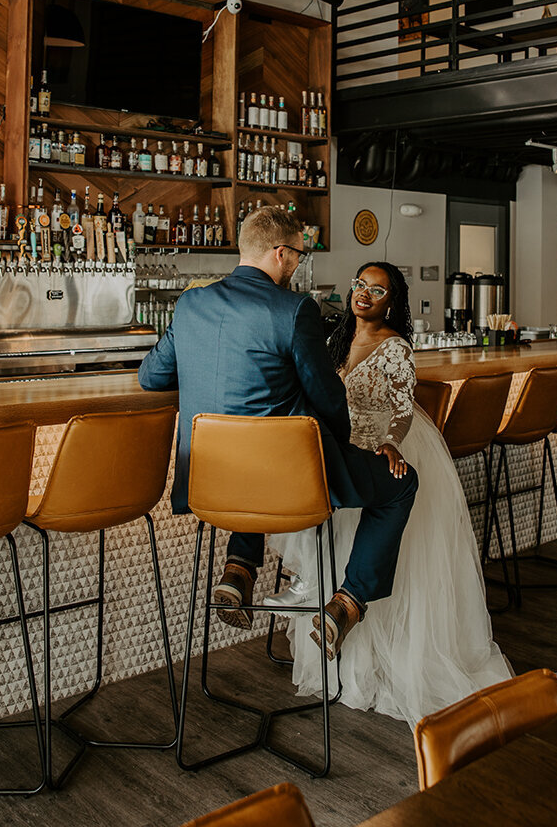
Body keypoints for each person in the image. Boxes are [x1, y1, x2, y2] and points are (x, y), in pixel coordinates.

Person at [138, 208, 418, 659]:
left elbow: (151, 378)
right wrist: (343, 442)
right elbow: (328, 397)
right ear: (281, 254)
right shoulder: (294, 310)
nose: (298, 267)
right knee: (403, 485)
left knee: (258, 460)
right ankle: (346, 603)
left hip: (209, 482)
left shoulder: (191, 303)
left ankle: (238, 570)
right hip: (285, 483)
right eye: (299, 258)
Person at [267, 261, 512, 729]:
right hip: (340, 448)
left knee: (403, 557)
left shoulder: (396, 347)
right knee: (336, 539)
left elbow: (402, 409)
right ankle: (342, 646)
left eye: (376, 291)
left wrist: (393, 443)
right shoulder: (335, 335)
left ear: (391, 303)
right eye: (359, 284)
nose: (363, 294)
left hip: (383, 448)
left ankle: (383, 656)